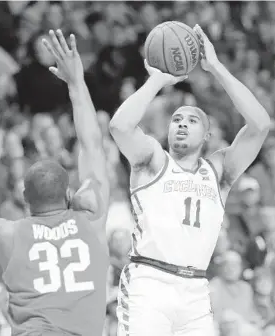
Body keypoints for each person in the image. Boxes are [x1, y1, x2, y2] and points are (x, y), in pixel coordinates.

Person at [109, 24, 271, 336]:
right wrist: (158, 78)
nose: (182, 123)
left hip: (196, 288)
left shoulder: (219, 171)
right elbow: (119, 127)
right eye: (176, 119)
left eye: (192, 120)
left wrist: (216, 67)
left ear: (207, 135)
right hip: (149, 282)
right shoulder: (153, 159)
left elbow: (261, 125)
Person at [0, 29, 110, 336]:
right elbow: (92, 145)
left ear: (25, 197)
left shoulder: (3, 233)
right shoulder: (91, 222)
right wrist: (76, 82)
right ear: (68, 193)